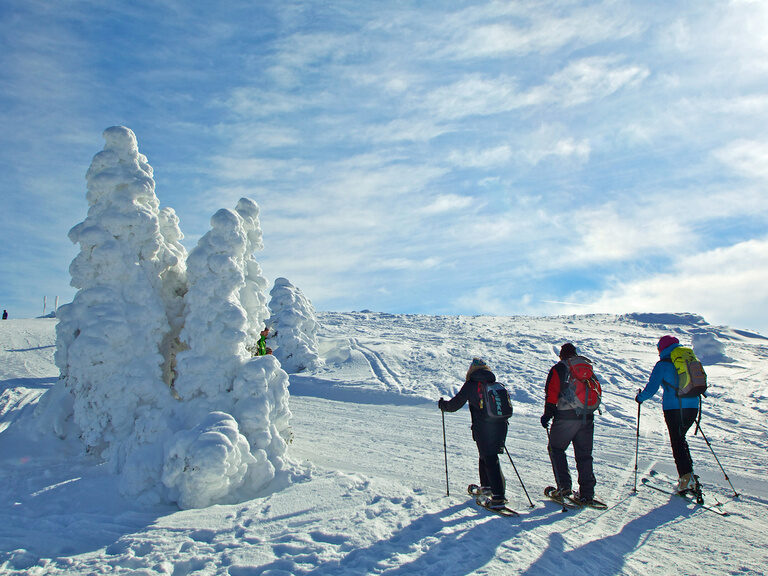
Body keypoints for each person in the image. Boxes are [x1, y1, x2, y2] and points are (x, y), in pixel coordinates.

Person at [439, 358, 508, 509]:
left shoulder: (472, 384)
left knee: (489, 457)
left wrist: (443, 405)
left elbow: (455, 404)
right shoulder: (494, 383)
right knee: (487, 456)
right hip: (501, 425)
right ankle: (488, 486)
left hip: (484, 427)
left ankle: (498, 497)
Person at [636, 335, 700, 493]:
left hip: (674, 409)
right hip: (693, 407)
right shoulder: (689, 359)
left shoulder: (663, 365)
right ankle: (689, 475)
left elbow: (651, 388)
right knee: (681, 439)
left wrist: (639, 397)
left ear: (662, 348)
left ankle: (686, 479)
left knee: (677, 442)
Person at [540, 342, 598, 504]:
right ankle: (587, 493)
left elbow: (552, 392)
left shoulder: (560, 368)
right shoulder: (586, 367)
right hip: (587, 416)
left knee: (556, 448)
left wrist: (547, 414)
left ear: (561, 355)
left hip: (566, 417)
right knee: (584, 455)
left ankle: (564, 486)